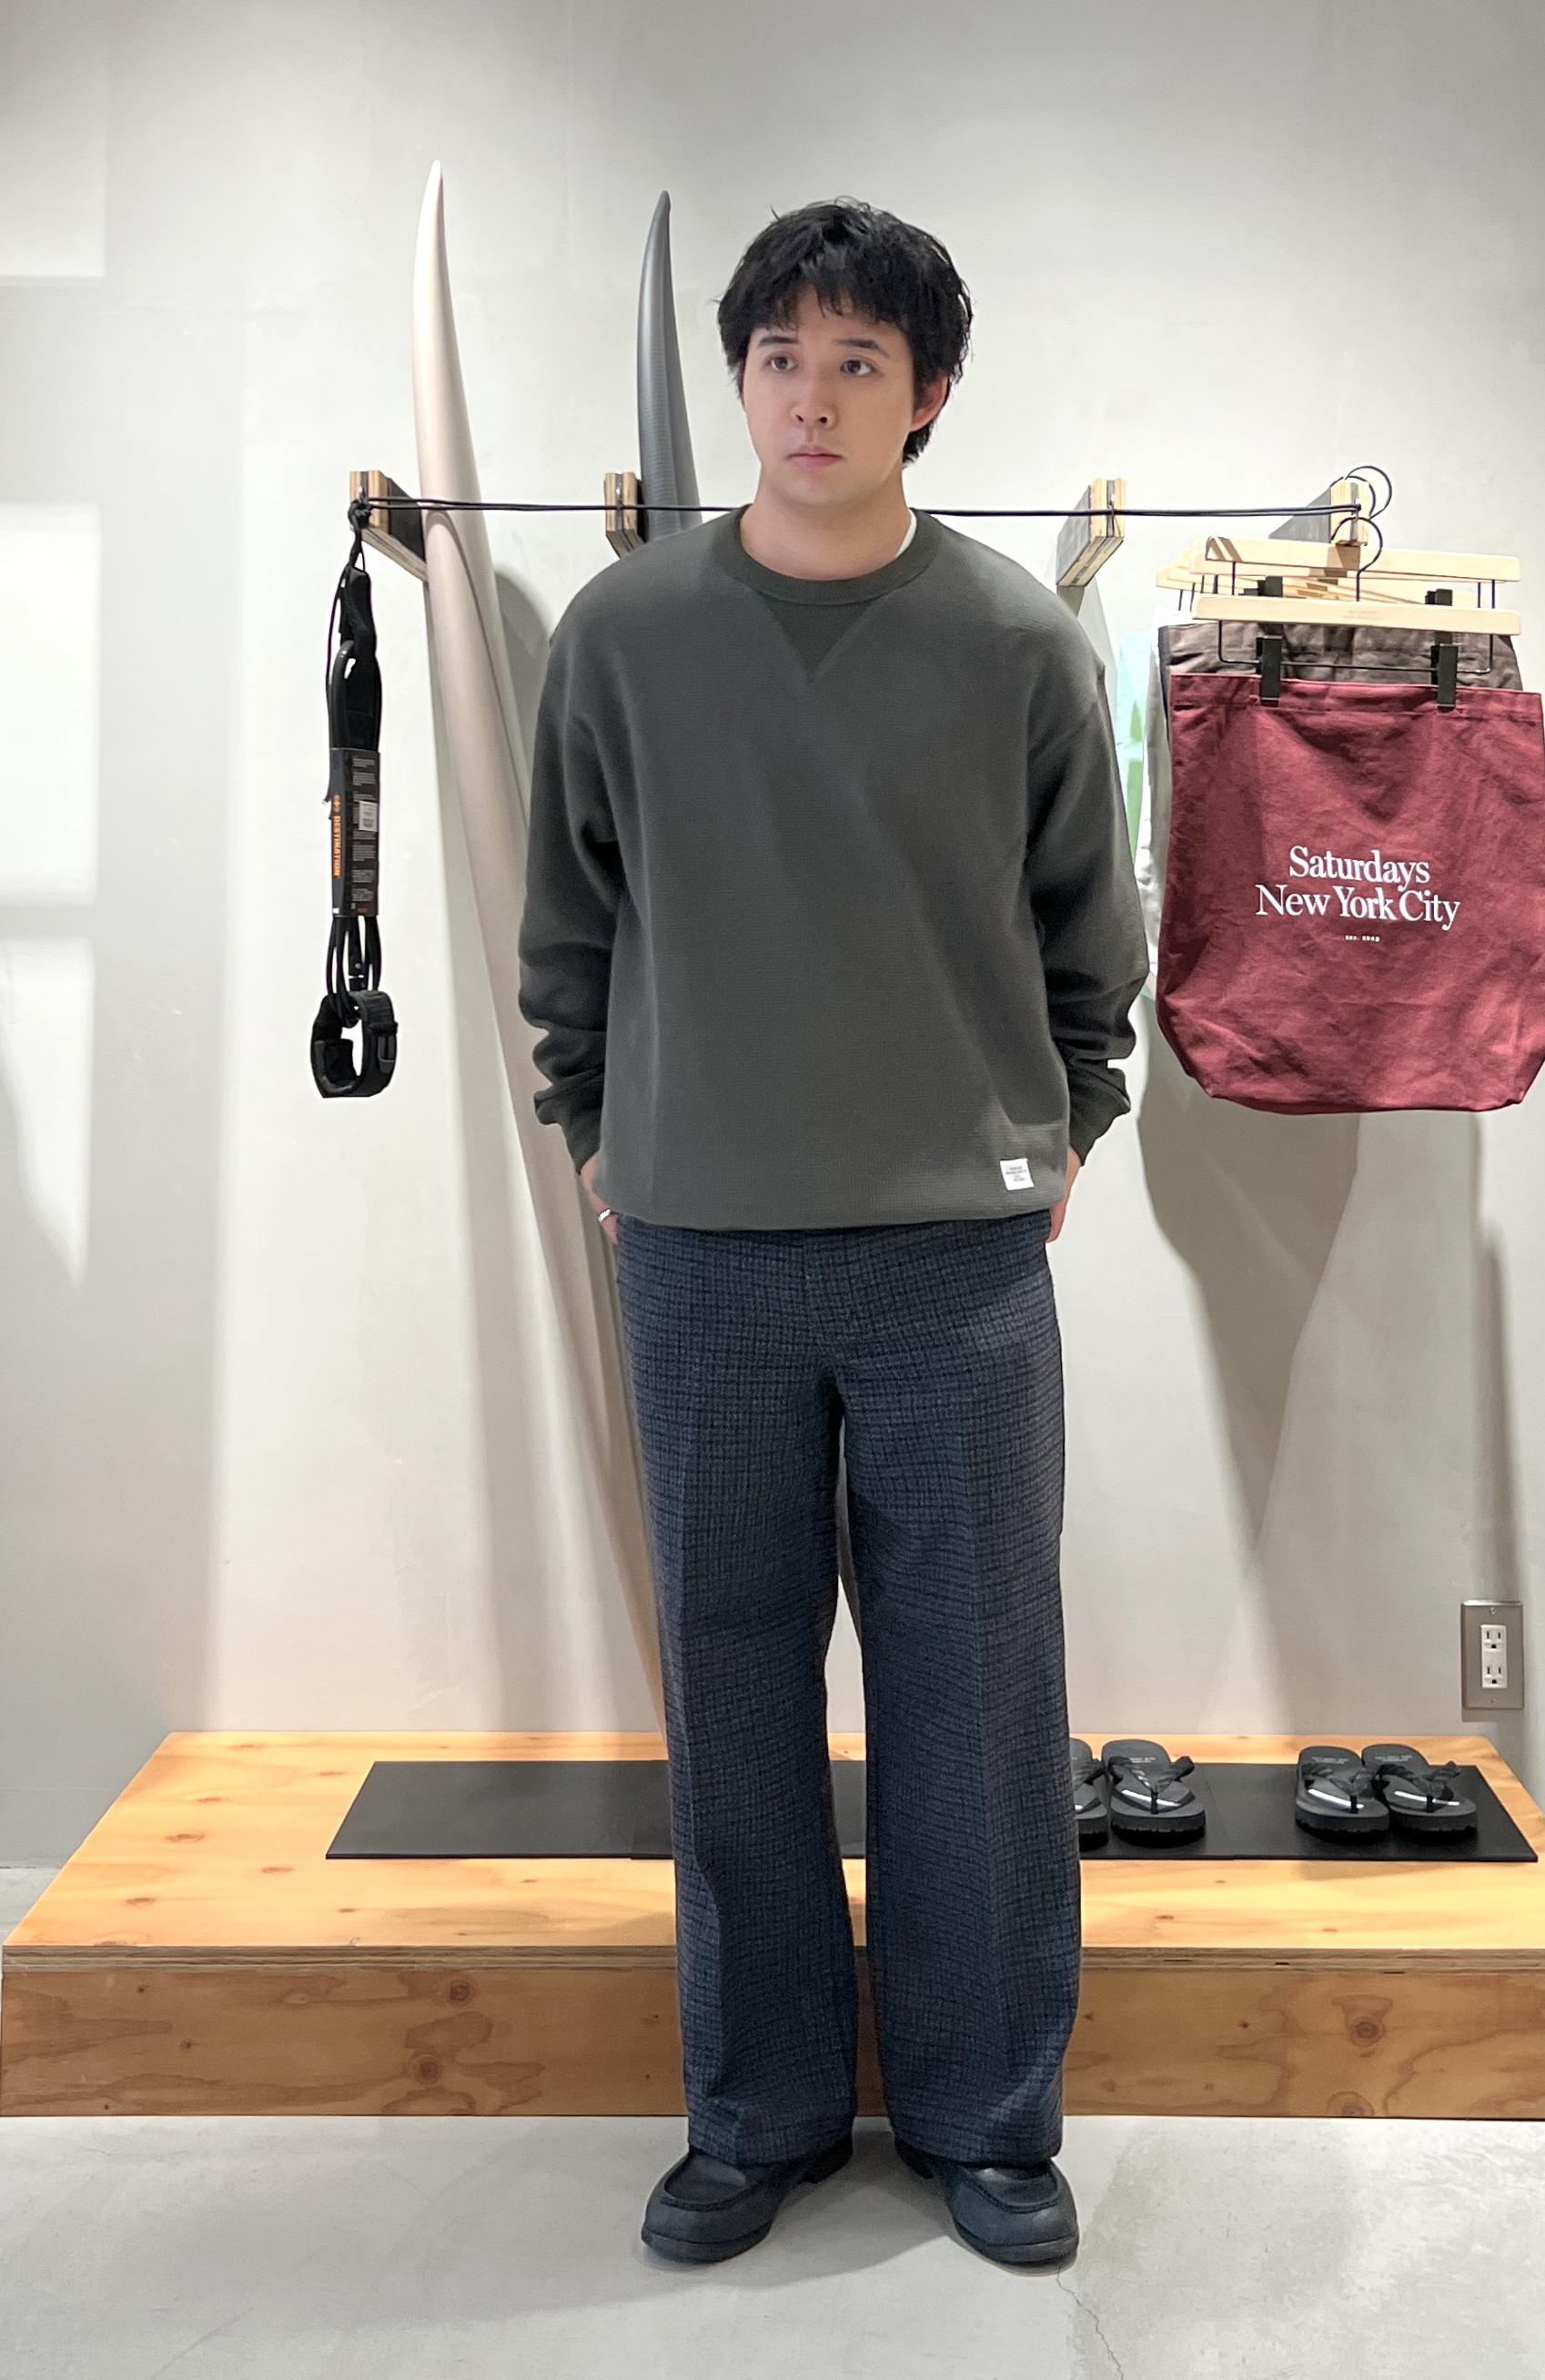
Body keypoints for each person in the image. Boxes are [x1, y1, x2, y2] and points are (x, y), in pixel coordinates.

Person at [517, 196, 1148, 2269]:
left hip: (954, 1254)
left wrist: (1070, 1128)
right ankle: (761, 2109)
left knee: (978, 1686)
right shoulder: (624, 637)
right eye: (779, 357)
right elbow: (569, 929)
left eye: (857, 361)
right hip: (698, 1242)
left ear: (927, 395)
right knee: (729, 1683)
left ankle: (985, 2112)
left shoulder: (1018, 646)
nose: (810, 396)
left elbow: (1092, 942)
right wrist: (599, 1125)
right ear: (740, 380)